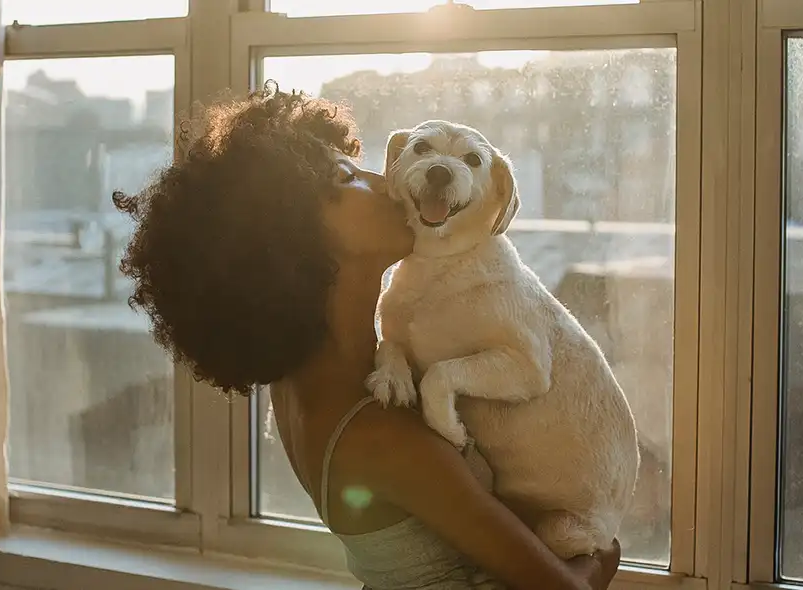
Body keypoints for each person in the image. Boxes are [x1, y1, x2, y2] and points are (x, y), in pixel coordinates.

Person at [114, 82, 621, 590]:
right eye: (347, 177)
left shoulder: (299, 385)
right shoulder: (384, 438)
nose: (383, 180)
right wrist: (603, 555)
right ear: (292, 235)